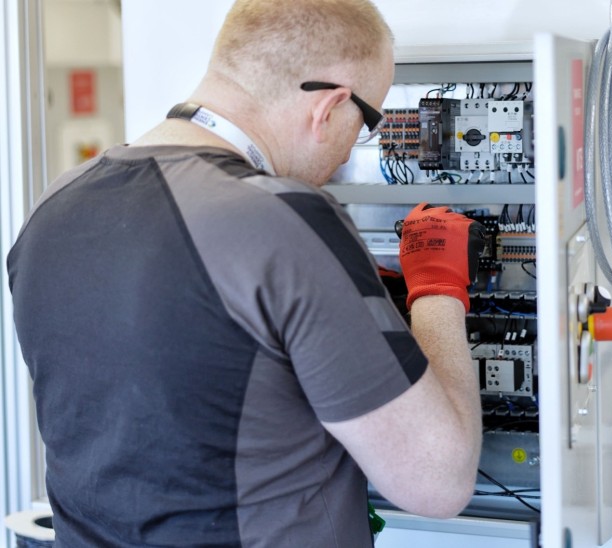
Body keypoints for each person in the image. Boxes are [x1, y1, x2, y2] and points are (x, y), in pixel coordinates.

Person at [7, 0, 483, 546]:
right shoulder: (285, 217)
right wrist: (436, 289)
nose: (357, 145)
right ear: (328, 107)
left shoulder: (52, 207)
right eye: (368, 122)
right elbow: (439, 482)